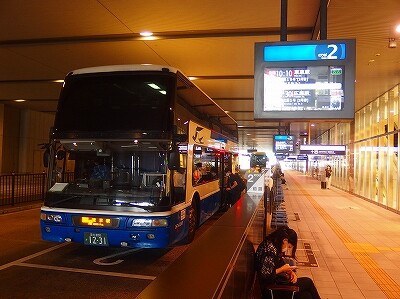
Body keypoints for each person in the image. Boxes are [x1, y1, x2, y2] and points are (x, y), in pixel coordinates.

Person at [255, 226, 321, 299]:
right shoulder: (269, 251)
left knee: (306, 296)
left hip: (276, 285)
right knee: (308, 282)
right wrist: (282, 269)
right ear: (285, 240)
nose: (287, 249)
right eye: (289, 246)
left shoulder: (272, 244)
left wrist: (290, 271)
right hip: (272, 290)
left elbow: (279, 261)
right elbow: (266, 276)